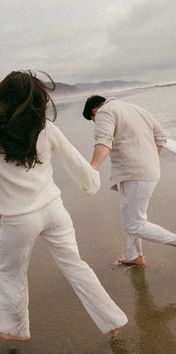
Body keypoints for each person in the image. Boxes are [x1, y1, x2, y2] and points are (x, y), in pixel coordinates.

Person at [0, 72, 128, 342]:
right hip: (54, 211)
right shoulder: (45, 126)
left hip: (17, 219)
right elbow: (76, 162)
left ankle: (17, 328)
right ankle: (113, 319)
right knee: (75, 265)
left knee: (11, 274)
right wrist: (90, 183)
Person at [82, 95, 176, 268]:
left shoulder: (104, 112)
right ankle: (135, 256)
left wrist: (91, 169)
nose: (95, 122)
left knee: (134, 224)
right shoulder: (136, 109)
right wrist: (148, 159)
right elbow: (161, 137)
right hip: (147, 171)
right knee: (131, 214)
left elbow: (104, 141)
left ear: (94, 111)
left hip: (134, 173)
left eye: (93, 120)